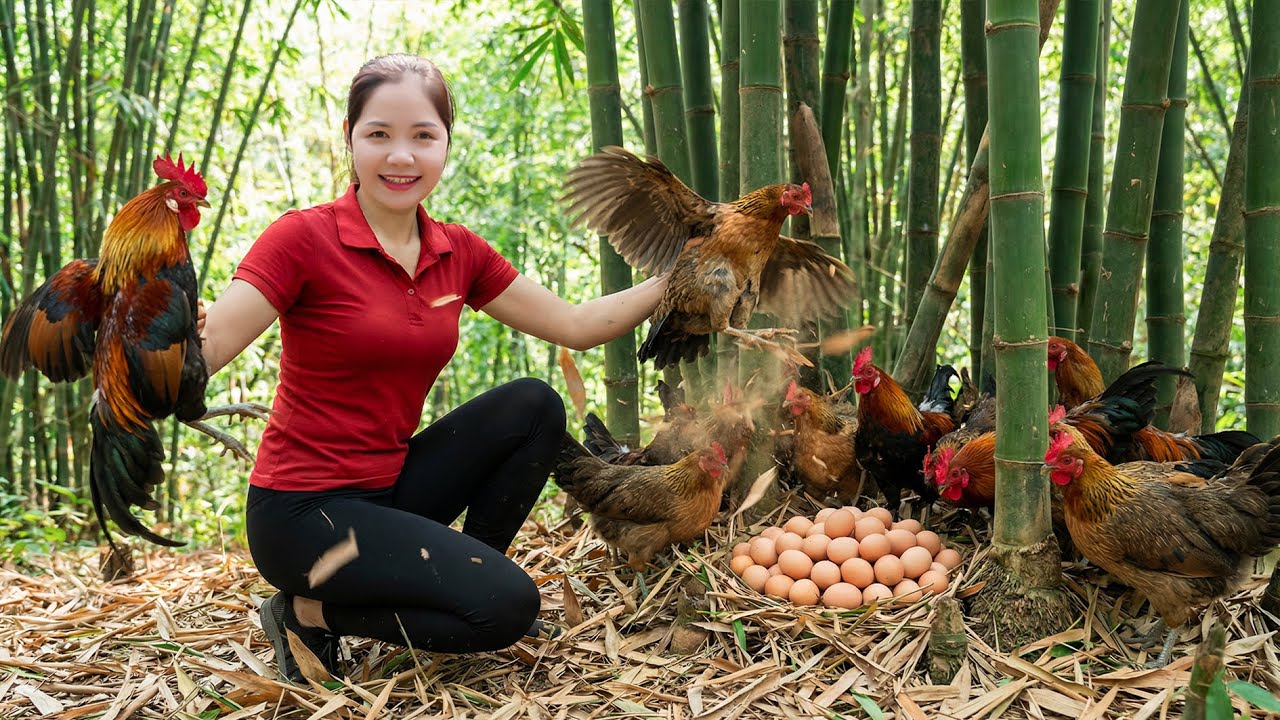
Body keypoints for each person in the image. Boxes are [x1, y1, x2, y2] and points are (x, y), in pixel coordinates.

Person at [199, 53, 668, 683]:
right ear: (350, 138)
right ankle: (306, 611)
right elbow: (211, 347)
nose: (401, 157)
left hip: (388, 491)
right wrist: (157, 330)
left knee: (534, 406)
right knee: (506, 609)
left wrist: (683, 275)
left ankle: (456, 581)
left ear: (446, 143)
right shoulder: (302, 238)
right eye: (379, 135)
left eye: (423, 136)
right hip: (302, 515)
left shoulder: (457, 250)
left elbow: (577, 326)